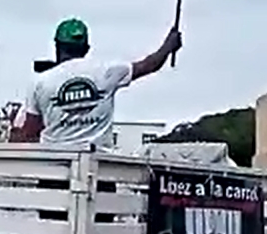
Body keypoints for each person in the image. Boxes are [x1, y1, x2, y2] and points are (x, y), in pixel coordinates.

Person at [10, 18, 182, 148]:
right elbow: (150, 65)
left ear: (57, 46)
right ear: (86, 48)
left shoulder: (41, 81)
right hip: (99, 170)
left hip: (55, 170)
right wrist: (168, 46)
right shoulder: (108, 71)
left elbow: (30, 132)